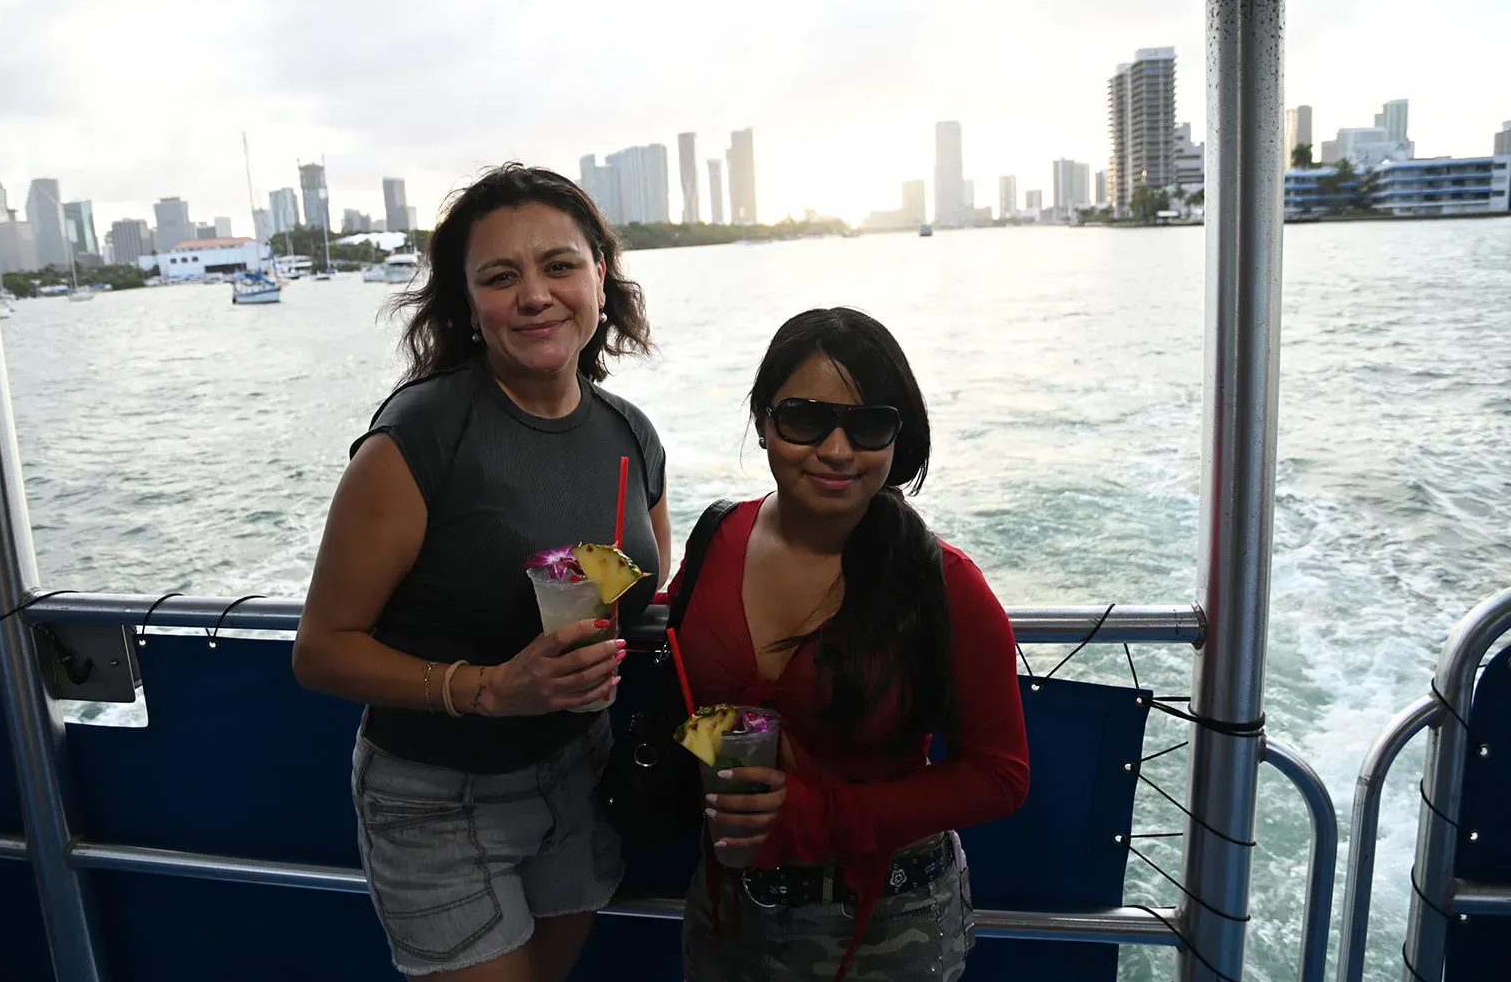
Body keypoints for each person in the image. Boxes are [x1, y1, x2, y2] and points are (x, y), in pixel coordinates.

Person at [293, 164, 671, 982]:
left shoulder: (631, 436)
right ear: (469, 305)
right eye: (501, 277)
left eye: (560, 265)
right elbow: (321, 650)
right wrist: (489, 687)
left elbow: (645, 598)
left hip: (579, 771)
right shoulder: (418, 438)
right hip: (438, 795)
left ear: (600, 276)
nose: (535, 293)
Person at [672, 307, 1029, 982]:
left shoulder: (943, 584)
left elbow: (1001, 775)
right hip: (728, 915)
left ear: (899, 440)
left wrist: (818, 815)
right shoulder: (716, 540)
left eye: (867, 426)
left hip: (887, 928)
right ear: (764, 422)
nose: (836, 450)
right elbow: (682, 660)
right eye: (805, 418)